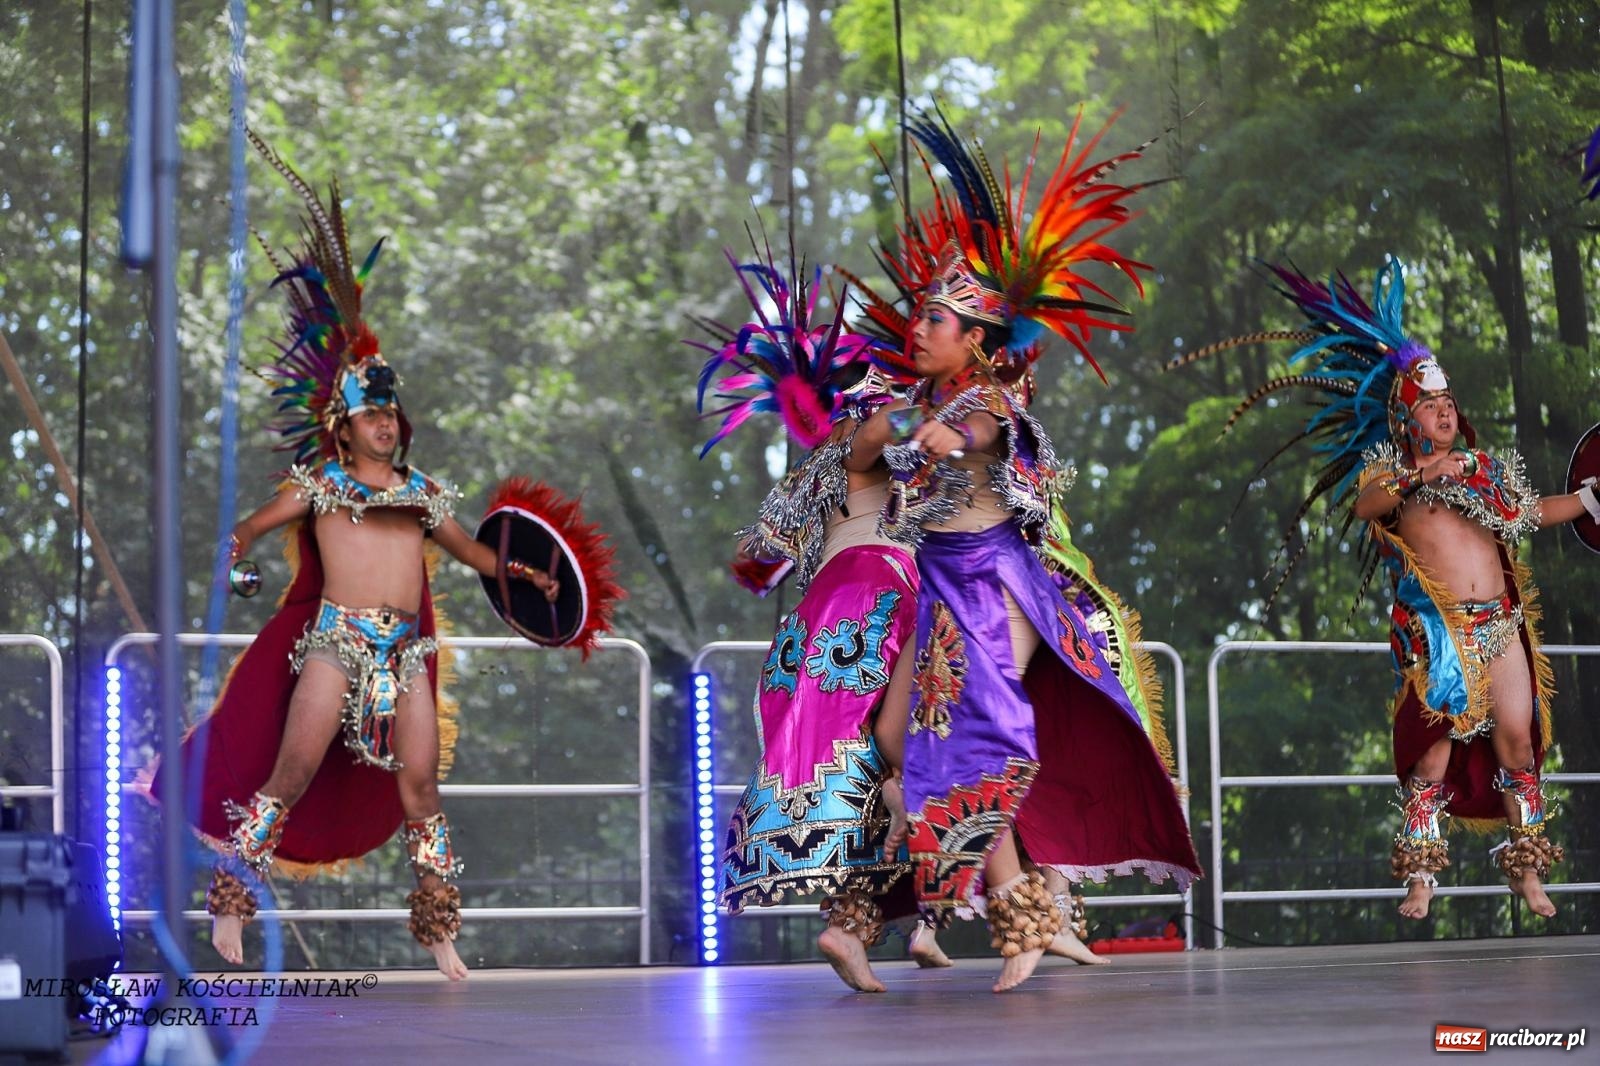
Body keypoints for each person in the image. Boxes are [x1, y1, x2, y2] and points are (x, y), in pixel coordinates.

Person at [154, 135, 615, 980]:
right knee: (290, 773)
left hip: (406, 656)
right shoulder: (322, 483)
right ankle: (229, 907)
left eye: (393, 416)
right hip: (332, 643)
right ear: (344, 425)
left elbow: (474, 550)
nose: (388, 425)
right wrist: (240, 541)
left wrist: (525, 573)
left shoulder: (424, 493)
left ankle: (439, 928)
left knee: (422, 793)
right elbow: (260, 522)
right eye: (373, 417)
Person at [845, 112, 1202, 993]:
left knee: (978, 735)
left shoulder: (990, 401)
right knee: (892, 741)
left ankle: (1022, 926)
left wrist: (937, 433)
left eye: (937, 318)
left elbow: (971, 430)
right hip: (937, 591)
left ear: (974, 340)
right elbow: (860, 466)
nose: (920, 327)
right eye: (921, 313)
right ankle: (1024, 911)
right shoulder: (911, 399)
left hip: (997, 584)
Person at [1176, 258, 1581, 921]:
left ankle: (1529, 872)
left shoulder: (1479, 469)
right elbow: (1366, 507)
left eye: (1451, 406)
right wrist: (1424, 476)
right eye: (1433, 406)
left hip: (1501, 624)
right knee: (1432, 757)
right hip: (1439, 632)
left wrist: (1589, 499)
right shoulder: (1391, 477)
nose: (1447, 415)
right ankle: (1421, 878)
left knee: (1516, 743)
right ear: (1406, 417)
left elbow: (1531, 511)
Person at [694, 251, 932, 991]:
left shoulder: (806, 477)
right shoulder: (867, 438)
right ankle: (935, 911)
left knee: (867, 769)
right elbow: (880, 437)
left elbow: (752, 559)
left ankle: (853, 925)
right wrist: (932, 404)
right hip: (878, 596)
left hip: (815, 623)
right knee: (933, 742)